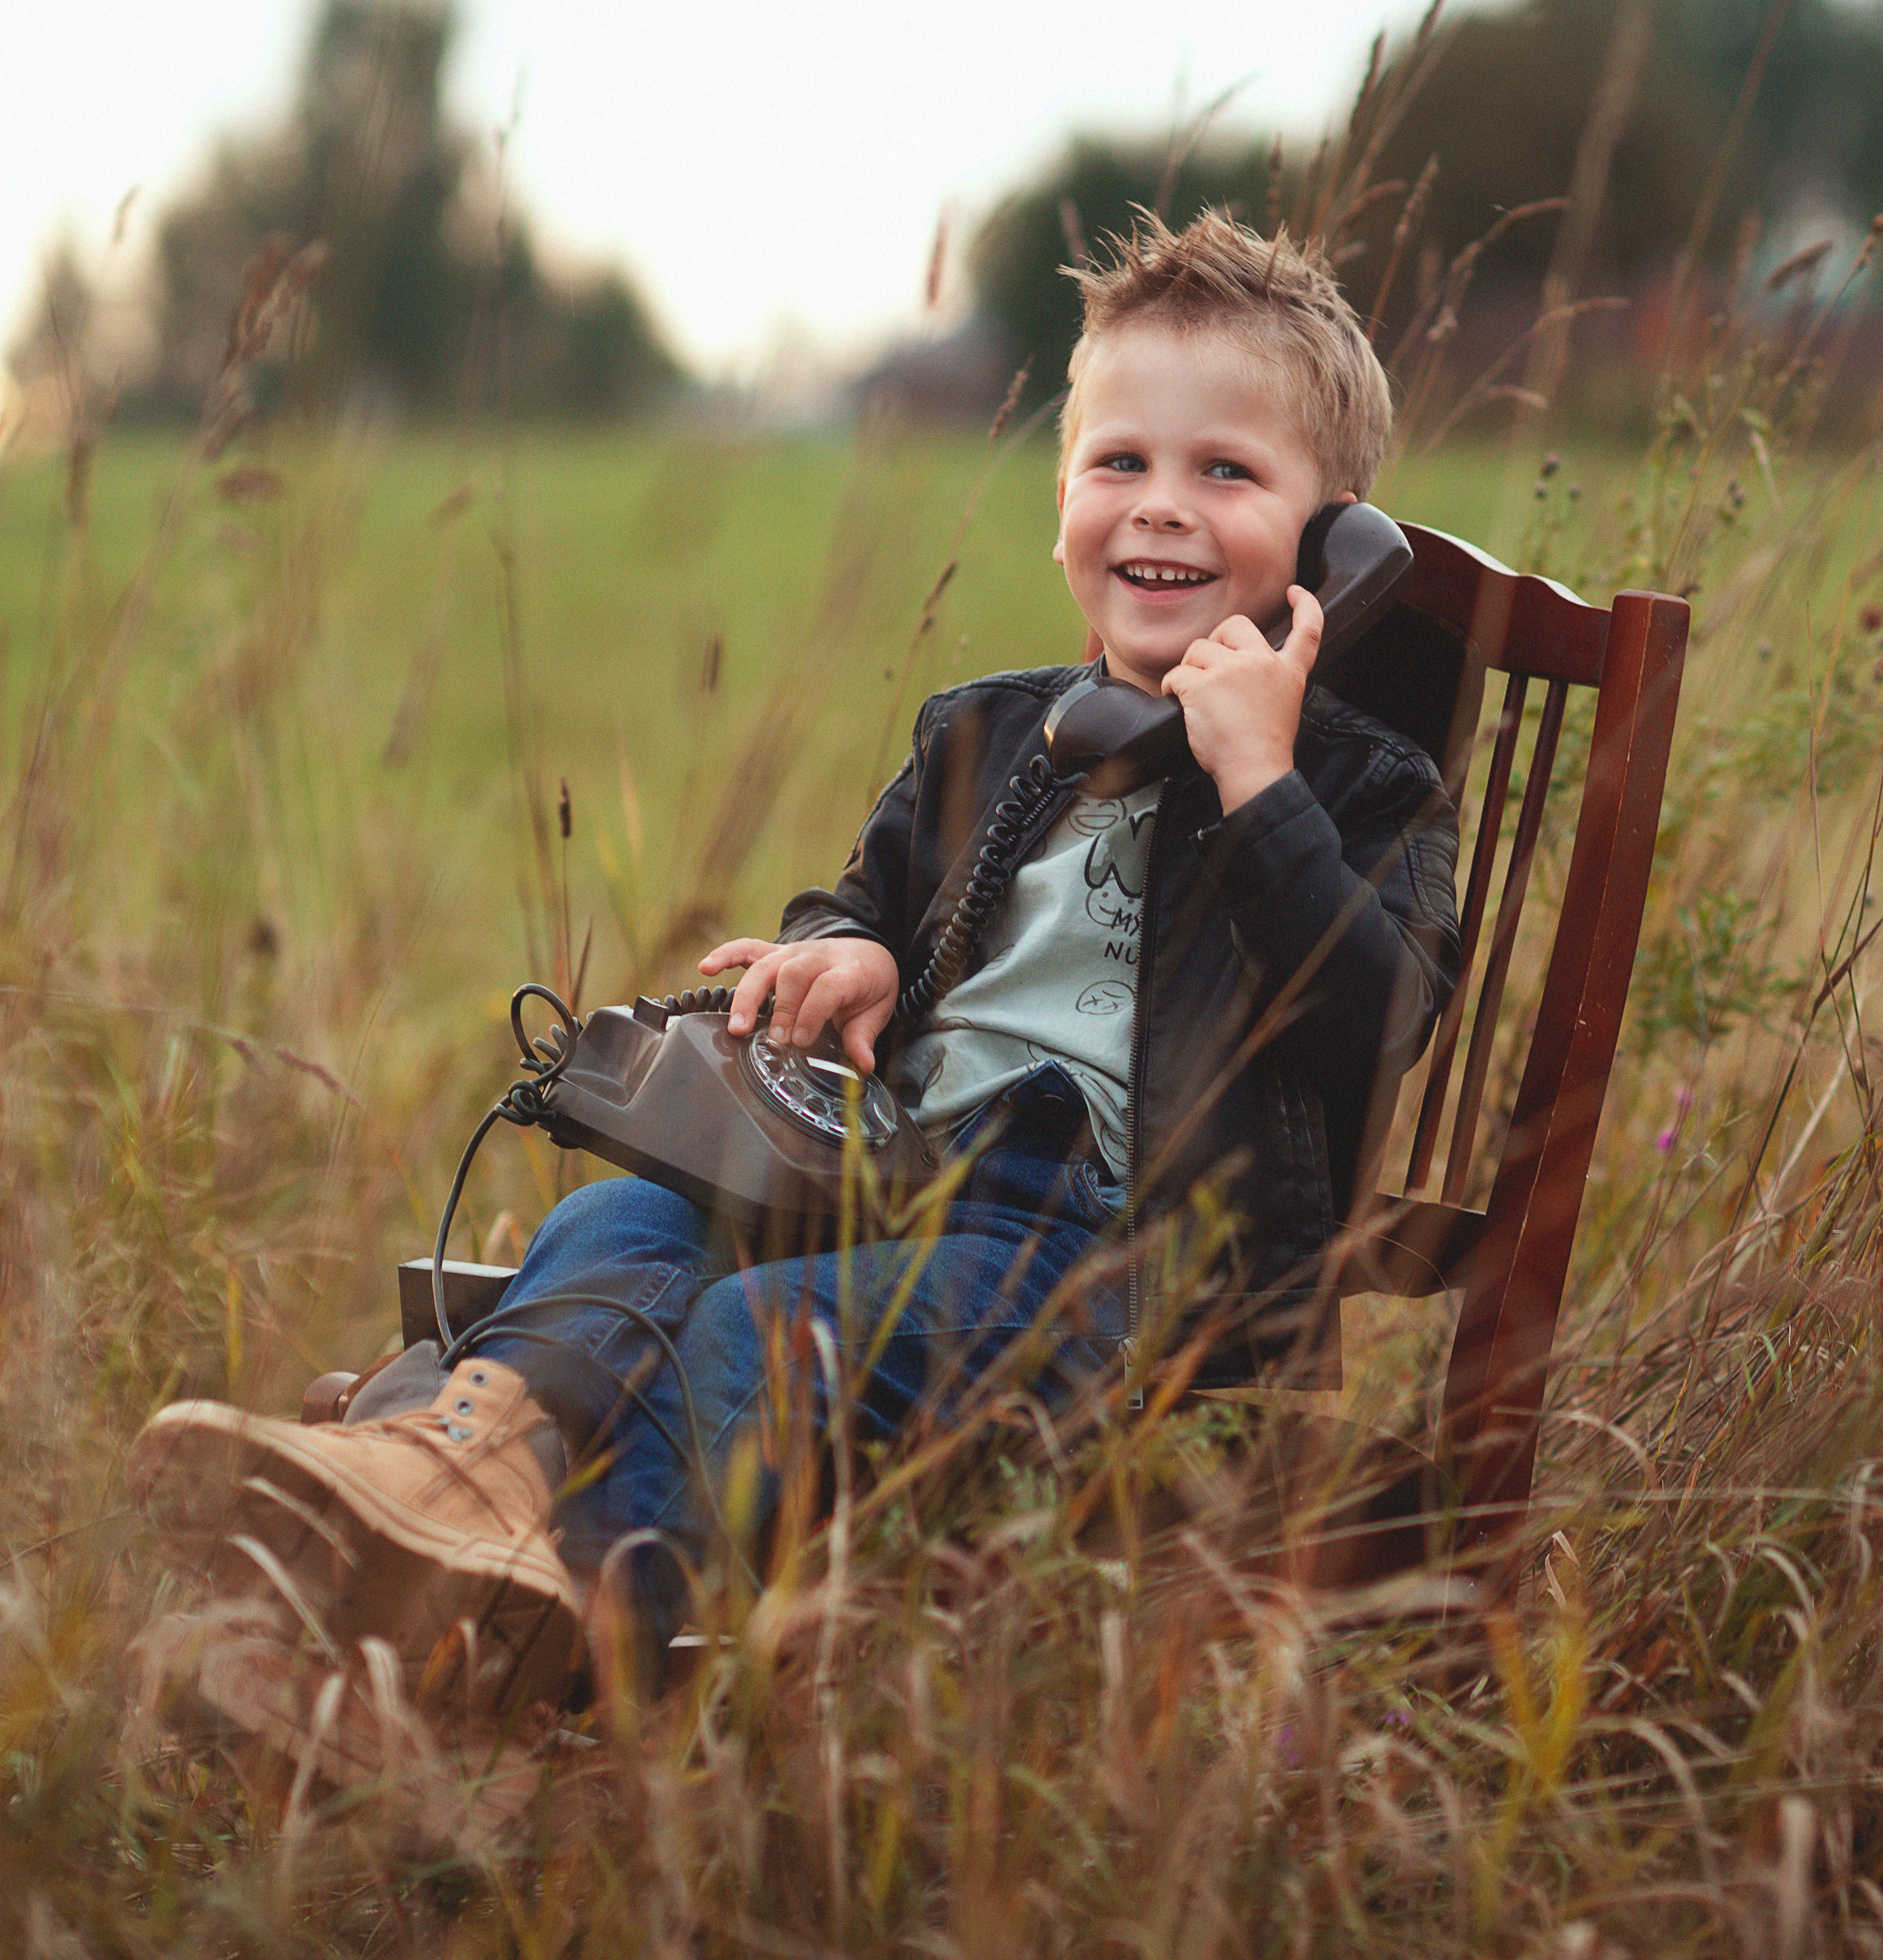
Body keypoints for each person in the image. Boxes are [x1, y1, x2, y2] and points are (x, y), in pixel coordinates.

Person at [130, 210, 1462, 1746]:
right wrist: (849, 947)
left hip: (1108, 1253)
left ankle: (478, 1683)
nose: (1162, 510)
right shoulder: (985, 735)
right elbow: (863, 895)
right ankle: (446, 1479)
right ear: (1061, 506)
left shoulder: (1361, 787)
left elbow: (1378, 1025)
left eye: (1226, 473)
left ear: (1335, 551)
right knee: (615, 1219)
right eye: (1120, 465)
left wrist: (1260, 787)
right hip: (878, 1169)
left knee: (749, 1343)